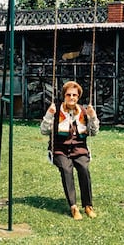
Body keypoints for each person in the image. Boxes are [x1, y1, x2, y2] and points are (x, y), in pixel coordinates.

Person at [40, 81, 100, 220]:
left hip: (79, 149)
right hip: (60, 150)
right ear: (64, 96)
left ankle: (88, 206)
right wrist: (49, 115)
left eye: (74, 95)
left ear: (78, 97)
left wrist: (92, 117)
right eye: (68, 95)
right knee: (67, 170)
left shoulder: (83, 112)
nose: (71, 97)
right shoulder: (56, 111)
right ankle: (73, 206)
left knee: (84, 169)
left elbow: (93, 132)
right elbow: (43, 131)